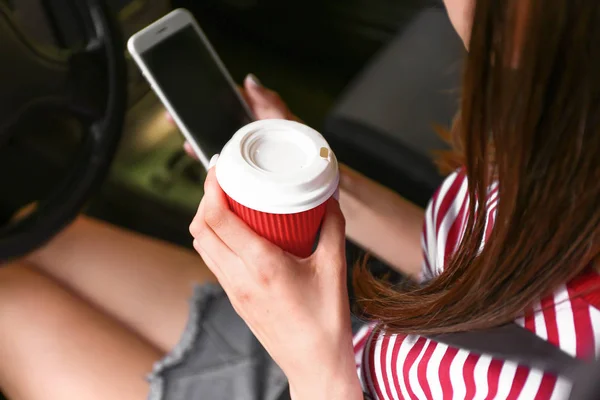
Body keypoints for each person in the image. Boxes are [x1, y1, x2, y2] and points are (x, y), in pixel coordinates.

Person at [0, 0, 598, 398]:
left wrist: (314, 361)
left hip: (324, 372)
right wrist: (319, 177)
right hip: (356, 345)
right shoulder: (568, 147)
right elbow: (474, 269)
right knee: (35, 230)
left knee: (8, 298)